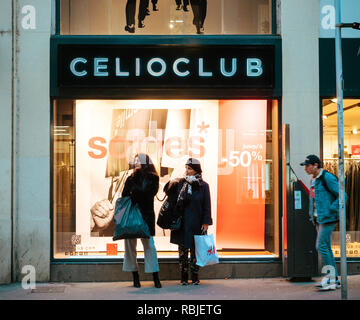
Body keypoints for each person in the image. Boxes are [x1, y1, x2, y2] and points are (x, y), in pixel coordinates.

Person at [300, 154, 345, 291]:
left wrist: (330, 210)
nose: (305, 168)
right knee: (326, 247)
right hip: (318, 218)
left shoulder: (327, 177)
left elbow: (343, 195)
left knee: (321, 246)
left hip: (327, 218)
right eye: (305, 166)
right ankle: (334, 280)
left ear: (316, 165)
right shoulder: (313, 179)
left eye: (308, 166)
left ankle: (330, 279)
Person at [169, 158, 212, 285]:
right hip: (182, 223)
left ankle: (194, 276)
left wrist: (206, 222)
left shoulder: (204, 186)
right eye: (186, 168)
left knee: (195, 251)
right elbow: (172, 200)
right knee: (182, 252)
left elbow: (206, 205)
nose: (186, 171)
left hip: (196, 223)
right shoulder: (181, 183)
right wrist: (171, 183)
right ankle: (183, 277)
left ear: (196, 170)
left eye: (189, 168)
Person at [121, 153, 162, 288]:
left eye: (139, 160)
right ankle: (135, 276)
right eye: (135, 159)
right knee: (129, 247)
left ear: (145, 162)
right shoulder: (130, 178)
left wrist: (135, 192)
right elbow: (125, 195)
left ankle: (155, 277)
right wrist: (135, 190)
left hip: (146, 216)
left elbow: (147, 194)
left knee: (150, 246)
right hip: (131, 216)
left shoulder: (153, 178)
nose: (136, 161)